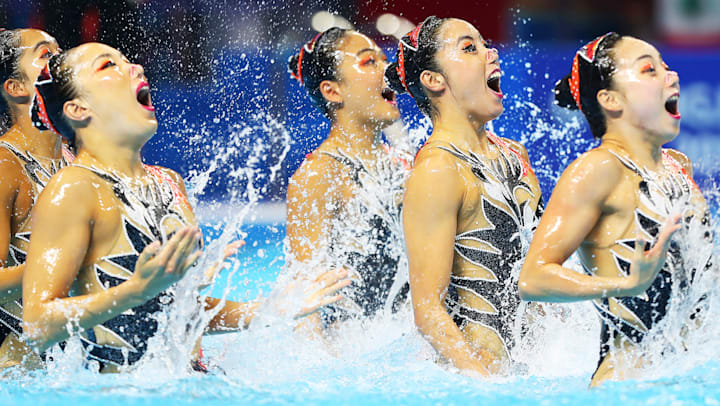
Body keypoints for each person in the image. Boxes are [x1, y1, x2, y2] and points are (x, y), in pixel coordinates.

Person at [20, 42, 350, 372]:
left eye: (128, 59)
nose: (135, 66)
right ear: (77, 109)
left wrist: (263, 310)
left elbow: (179, 313)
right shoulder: (73, 188)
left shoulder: (168, 182)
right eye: (108, 66)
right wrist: (135, 291)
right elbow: (36, 326)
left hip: (187, 385)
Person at [518, 33, 713, 386]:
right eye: (650, 70)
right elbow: (533, 277)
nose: (672, 76)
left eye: (667, 67)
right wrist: (626, 284)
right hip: (627, 386)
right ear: (610, 99)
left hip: (687, 376)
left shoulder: (677, 166)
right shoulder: (597, 170)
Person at [385, 16, 543, 375]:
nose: (491, 54)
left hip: (533, 370)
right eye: (470, 48)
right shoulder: (438, 171)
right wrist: (486, 385)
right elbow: (428, 312)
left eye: (485, 44)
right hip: (476, 378)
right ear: (434, 80)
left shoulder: (514, 154)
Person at [286, 28, 411, 330]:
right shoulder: (318, 175)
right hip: (355, 358)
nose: (388, 69)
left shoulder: (406, 165)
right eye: (369, 62)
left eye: (385, 59)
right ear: (333, 91)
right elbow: (307, 302)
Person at [0, 28, 70, 368]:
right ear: (16, 88)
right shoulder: (5, 168)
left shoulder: (76, 159)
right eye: (45, 54)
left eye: (60, 51)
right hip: (15, 370)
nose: (60, 61)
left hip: (70, 365)